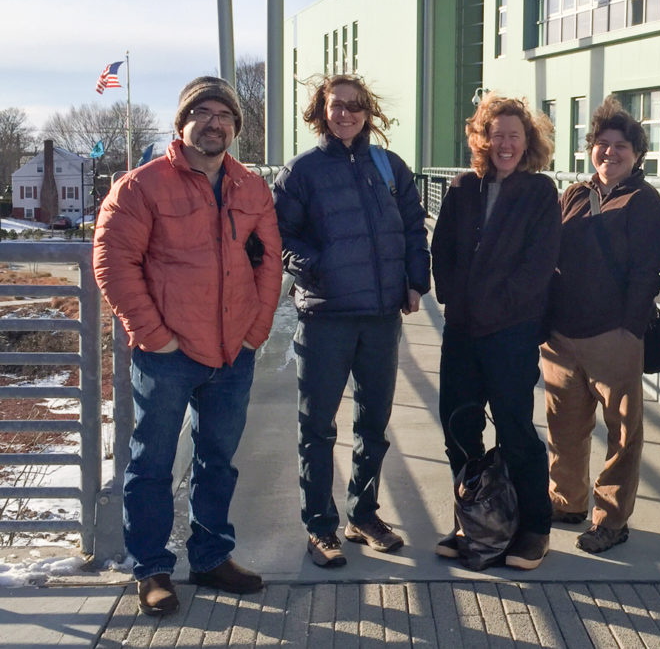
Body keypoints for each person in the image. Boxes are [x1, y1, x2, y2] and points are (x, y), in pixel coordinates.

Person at [93, 76, 283, 617]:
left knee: (218, 461)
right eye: (202, 111)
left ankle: (210, 556)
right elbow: (113, 262)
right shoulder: (141, 185)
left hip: (233, 352)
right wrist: (156, 336)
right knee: (151, 463)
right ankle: (151, 568)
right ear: (182, 123)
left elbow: (270, 261)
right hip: (167, 355)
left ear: (235, 129)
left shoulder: (250, 187)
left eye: (225, 114)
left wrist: (256, 330)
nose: (214, 121)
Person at [273, 74, 429, 568]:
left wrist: (416, 281)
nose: (347, 114)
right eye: (337, 105)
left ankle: (362, 515)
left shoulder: (389, 166)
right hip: (325, 317)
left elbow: (412, 226)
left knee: (374, 424)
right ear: (321, 110)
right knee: (317, 428)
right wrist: (314, 265)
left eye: (356, 106)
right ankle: (319, 527)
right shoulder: (300, 172)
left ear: (368, 111)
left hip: (381, 317)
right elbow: (278, 235)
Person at [430, 93, 560, 570]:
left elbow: (538, 267)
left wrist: (494, 309)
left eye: (514, 135)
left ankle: (533, 527)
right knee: (459, 426)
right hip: (463, 331)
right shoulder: (463, 188)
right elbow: (441, 249)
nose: (505, 143)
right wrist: (452, 299)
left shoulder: (541, 193)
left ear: (528, 142)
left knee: (514, 428)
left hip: (510, 332)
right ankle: (476, 520)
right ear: (482, 138)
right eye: (496, 134)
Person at [541, 97, 660, 554]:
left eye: (621, 146)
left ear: (637, 154)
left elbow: (648, 270)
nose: (609, 153)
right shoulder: (574, 195)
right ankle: (567, 501)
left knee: (621, 433)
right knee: (564, 427)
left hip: (613, 337)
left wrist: (629, 328)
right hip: (560, 337)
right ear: (590, 148)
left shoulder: (645, 202)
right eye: (602, 144)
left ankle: (611, 518)